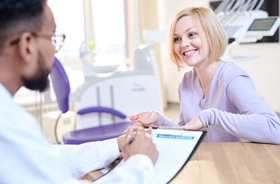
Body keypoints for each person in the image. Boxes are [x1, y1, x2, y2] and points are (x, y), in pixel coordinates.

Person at [0, 0, 158, 183]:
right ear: (26, 44)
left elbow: (45, 158)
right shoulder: (7, 122)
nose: (54, 49)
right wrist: (141, 162)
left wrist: (116, 145)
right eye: (52, 38)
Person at [129, 6, 280, 144]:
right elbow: (187, 131)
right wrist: (159, 121)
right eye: (177, 39)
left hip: (237, 163)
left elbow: (275, 129)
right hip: (207, 162)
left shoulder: (232, 79)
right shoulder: (187, 82)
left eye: (192, 34)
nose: (183, 44)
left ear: (211, 35)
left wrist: (211, 116)